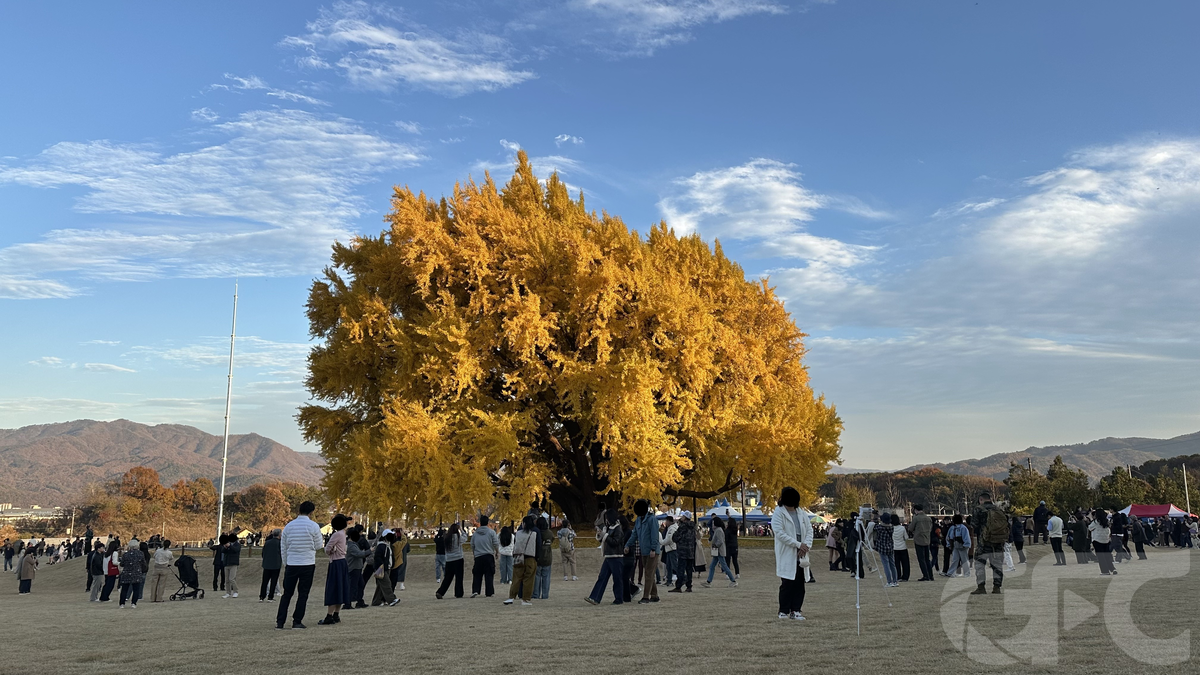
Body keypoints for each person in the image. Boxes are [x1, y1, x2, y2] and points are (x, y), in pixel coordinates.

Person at [276, 500, 324, 630]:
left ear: (299, 510)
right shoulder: (314, 526)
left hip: (292, 563)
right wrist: (310, 548)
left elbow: (283, 547)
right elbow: (319, 545)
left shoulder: (289, 526)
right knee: (303, 594)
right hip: (307, 563)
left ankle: (280, 622)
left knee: (287, 594)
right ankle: (297, 621)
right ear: (311, 512)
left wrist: (286, 562)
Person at [772, 486, 814, 620]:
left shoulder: (801, 513)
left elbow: (809, 531)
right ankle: (783, 610)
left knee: (799, 583)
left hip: (802, 552)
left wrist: (805, 546)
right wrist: (797, 544)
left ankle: (796, 610)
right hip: (787, 551)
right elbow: (779, 533)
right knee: (787, 583)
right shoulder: (778, 512)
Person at [585, 509, 626, 605]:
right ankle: (594, 598)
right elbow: (605, 540)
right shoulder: (609, 528)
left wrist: (605, 536)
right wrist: (600, 534)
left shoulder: (618, 529)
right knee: (602, 577)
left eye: (607, 518)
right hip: (608, 556)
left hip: (616, 557)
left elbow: (615, 542)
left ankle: (619, 599)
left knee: (617, 579)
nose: (606, 520)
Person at [624, 500, 661, 603]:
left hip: (652, 551)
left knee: (648, 573)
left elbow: (655, 535)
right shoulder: (638, 521)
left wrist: (653, 549)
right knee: (650, 573)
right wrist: (627, 545)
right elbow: (634, 534)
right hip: (643, 551)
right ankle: (654, 595)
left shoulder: (652, 519)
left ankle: (646, 597)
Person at [971, 492, 1007, 595]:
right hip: (998, 542)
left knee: (979, 564)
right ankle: (997, 587)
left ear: (981, 499)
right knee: (997, 566)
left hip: (984, 542)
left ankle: (981, 587)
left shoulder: (979, 509)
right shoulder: (999, 509)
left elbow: (975, 525)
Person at [505, 515, 538, 606]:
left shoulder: (518, 534)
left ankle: (511, 597)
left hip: (518, 557)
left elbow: (515, 545)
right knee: (529, 579)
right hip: (530, 557)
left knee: (516, 578)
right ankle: (526, 599)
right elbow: (538, 547)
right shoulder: (534, 534)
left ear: (524, 524)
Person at [470, 515, 500, 598]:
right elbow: (495, 543)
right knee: (489, 574)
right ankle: (489, 592)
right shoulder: (491, 532)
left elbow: (472, 545)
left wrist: (474, 554)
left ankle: (475, 590)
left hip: (478, 556)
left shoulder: (476, 534)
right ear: (487, 523)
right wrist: (497, 552)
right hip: (488, 555)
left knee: (477, 574)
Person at [436, 523, 466, 600]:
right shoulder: (458, 538)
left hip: (449, 559)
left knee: (448, 578)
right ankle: (458, 593)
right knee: (459, 577)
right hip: (458, 558)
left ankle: (440, 592)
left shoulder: (446, 538)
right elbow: (465, 538)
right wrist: (462, 530)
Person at [669, 511, 696, 593]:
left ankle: (678, 586)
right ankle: (689, 586)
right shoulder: (693, 527)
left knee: (681, 569)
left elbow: (675, 537)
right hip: (691, 551)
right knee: (689, 570)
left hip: (682, 551)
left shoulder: (682, 527)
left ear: (684, 518)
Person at [343, 529, 370, 608]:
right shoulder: (351, 546)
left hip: (357, 568)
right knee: (353, 586)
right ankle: (347, 603)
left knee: (360, 585)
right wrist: (369, 551)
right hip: (353, 568)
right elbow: (359, 554)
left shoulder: (353, 544)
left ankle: (359, 601)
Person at [118, 541, 146, 608]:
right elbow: (143, 563)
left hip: (127, 572)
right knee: (136, 589)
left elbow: (122, 564)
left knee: (124, 589)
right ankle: (133, 603)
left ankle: (122, 603)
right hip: (137, 572)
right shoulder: (140, 554)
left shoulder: (126, 554)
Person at [533, 516, 554, 599]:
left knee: (537, 576)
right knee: (546, 577)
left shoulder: (536, 533)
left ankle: (536, 594)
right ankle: (545, 595)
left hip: (538, 556)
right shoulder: (550, 533)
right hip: (547, 556)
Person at [1089, 510, 1116, 575]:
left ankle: (1105, 571)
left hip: (1097, 540)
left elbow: (1090, 528)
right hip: (1106, 540)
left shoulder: (1095, 522)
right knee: (1107, 555)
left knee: (1101, 557)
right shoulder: (1107, 521)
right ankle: (1112, 568)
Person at [911, 505, 933, 581]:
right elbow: (930, 528)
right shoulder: (928, 518)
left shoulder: (916, 518)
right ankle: (931, 575)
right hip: (927, 540)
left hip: (919, 540)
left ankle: (925, 575)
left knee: (921, 559)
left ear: (916, 510)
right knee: (927, 559)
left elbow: (910, 528)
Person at [260, 528, 282, 602]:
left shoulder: (267, 542)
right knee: (274, 581)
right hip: (276, 564)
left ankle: (262, 596)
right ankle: (270, 597)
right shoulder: (280, 543)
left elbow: (263, 553)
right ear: (279, 535)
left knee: (265, 581)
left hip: (266, 564)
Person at [890, 513, 910, 581]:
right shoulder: (902, 528)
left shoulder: (890, 528)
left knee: (896, 563)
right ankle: (905, 576)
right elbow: (906, 537)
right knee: (905, 563)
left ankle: (897, 576)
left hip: (894, 548)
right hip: (903, 547)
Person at [221, 534, 242, 599]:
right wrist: (225, 547)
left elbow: (236, 550)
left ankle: (236, 591)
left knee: (232, 579)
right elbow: (222, 551)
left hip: (234, 564)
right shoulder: (227, 544)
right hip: (226, 563)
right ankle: (228, 592)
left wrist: (230, 546)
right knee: (226, 580)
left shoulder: (237, 545)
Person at [661, 516, 679, 585]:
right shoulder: (671, 528)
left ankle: (683, 577)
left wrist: (662, 542)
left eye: (666, 521)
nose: (666, 523)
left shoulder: (672, 529)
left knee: (674, 565)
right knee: (668, 566)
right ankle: (669, 580)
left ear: (669, 521)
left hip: (672, 549)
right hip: (669, 549)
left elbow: (669, 539)